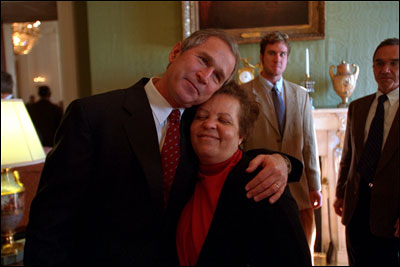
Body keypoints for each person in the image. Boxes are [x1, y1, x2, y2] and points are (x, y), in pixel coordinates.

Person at [24, 29, 303, 265]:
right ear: (175, 53)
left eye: (217, 76)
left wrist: (283, 161)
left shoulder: (197, 125)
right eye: (202, 60)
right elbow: (49, 222)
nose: (205, 76)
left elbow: (234, 157)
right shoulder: (94, 115)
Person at [168, 82, 310, 266]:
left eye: (224, 120)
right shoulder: (182, 173)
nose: (209, 124)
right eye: (201, 116)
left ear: (242, 135)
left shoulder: (264, 181)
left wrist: (285, 163)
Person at [241, 31, 322, 253]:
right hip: (261, 183)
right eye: (272, 53)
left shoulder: (301, 94)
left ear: (287, 58)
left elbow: (309, 144)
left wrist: (315, 185)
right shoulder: (243, 94)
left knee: (304, 251)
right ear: (261, 57)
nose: (277, 59)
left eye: (283, 54)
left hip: (299, 186)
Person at [333, 38, 399, 266]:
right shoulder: (358, 107)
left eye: (394, 63)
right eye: (379, 64)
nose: (386, 70)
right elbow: (348, 156)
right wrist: (340, 192)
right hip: (356, 211)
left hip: (392, 216)